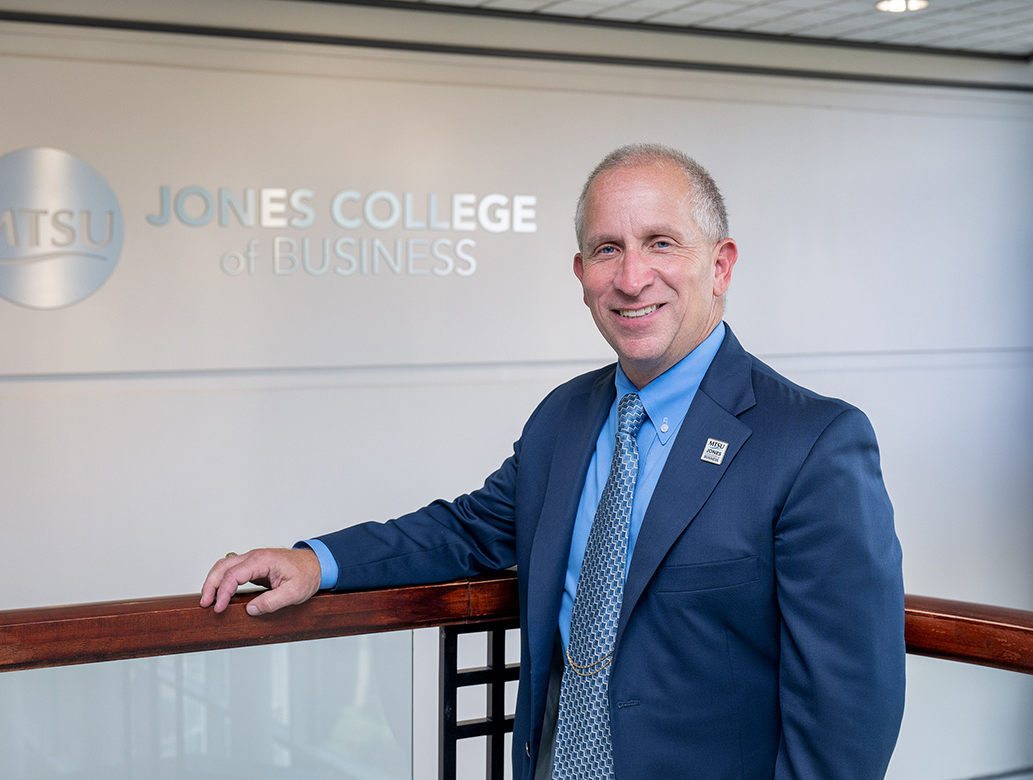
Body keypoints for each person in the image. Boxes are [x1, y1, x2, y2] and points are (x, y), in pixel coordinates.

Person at [201, 144, 906, 780]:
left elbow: (848, 712)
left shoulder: (813, 443)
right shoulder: (563, 418)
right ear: (581, 274)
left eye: (661, 243)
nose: (633, 277)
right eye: (607, 249)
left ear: (719, 265)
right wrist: (315, 561)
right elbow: (470, 531)